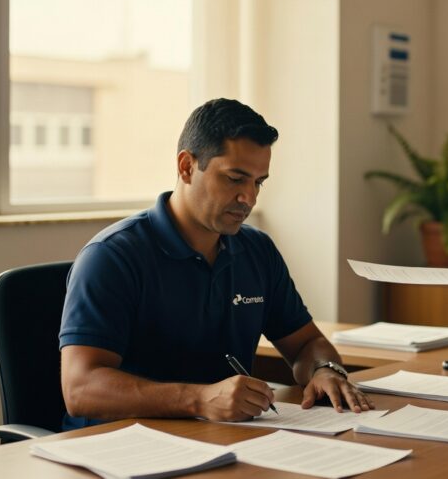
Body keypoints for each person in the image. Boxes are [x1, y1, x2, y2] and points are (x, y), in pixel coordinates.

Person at [59, 98, 372, 430]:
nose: (249, 198)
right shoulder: (112, 257)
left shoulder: (257, 250)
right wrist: (199, 398)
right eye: (235, 179)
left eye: (258, 182)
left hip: (220, 440)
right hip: (120, 451)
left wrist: (325, 369)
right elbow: (81, 389)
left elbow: (307, 345)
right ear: (186, 167)